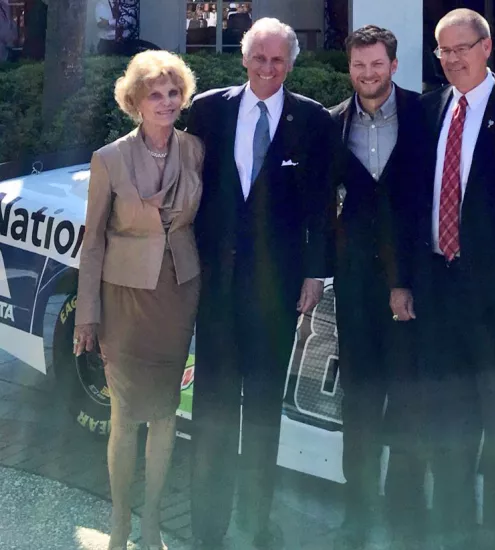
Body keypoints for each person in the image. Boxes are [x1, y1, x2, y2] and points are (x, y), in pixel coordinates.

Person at [184, 17, 336, 550]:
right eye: (259, 58)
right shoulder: (207, 109)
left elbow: (322, 206)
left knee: (264, 414)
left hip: (277, 292)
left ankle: (257, 523)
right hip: (217, 289)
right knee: (214, 410)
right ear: (244, 59)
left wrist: (316, 273)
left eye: (278, 60)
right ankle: (207, 527)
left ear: (290, 64)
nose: (268, 68)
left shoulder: (313, 121)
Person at [408, 8, 495, 549]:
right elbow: (415, 200)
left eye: (463, 47)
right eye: (444, 50)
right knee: (448, 423)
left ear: (487, 47)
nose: (453, 59)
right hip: (439, 291)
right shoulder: (427, 108)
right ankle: (453, 529)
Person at [74, 50, 203, 550]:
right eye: (156, 94)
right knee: (126, 416)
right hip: (124, 302)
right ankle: (121, 521)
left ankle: (152, 522)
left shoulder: (195, 151)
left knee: (167, 412)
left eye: (174, 93)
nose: (167, 102)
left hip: (178, 295)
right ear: (136, 101)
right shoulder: (108, 159)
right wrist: (89, 315)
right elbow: (94, 243)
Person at [327, 24, 427, 549]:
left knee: (410, 400)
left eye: (377, 63)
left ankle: (406, 511)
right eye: (359, 65)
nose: (368, 73)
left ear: (393, 64)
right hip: (355, 287)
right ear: (351, 69)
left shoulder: (426, 115)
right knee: (359, 402)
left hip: (414, 284)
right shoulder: (330, 124)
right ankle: (357, 512)